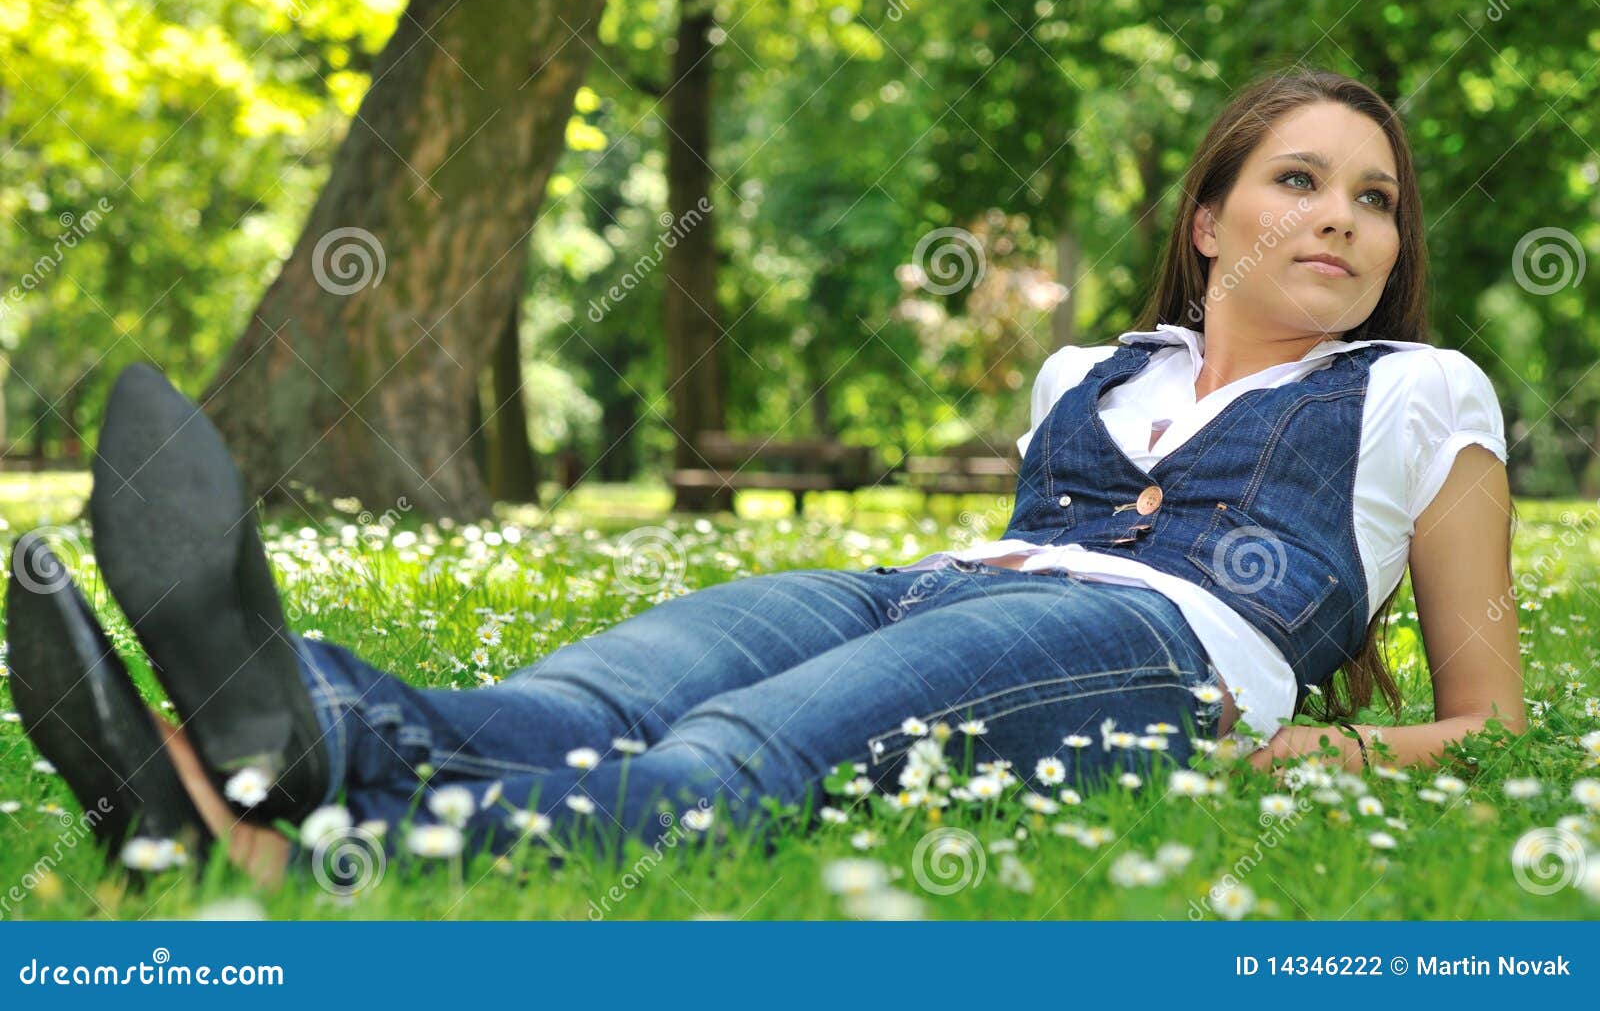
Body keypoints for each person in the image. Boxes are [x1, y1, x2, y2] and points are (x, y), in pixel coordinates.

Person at [6, 67, 1524, 890]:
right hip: (936, 592)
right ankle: (231, 740)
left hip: (1163, 645)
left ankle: (263, 793)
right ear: (1208, 220)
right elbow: (1000, 578)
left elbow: (1490, 717)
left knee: (735, 761)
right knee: (579, 706)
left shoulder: (1421, 392)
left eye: (1374, 198)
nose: (1342, 219)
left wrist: (1331, 758)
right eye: (1299, 181)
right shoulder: (1088, 373)